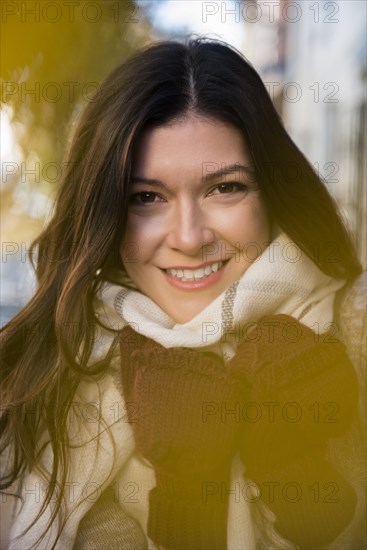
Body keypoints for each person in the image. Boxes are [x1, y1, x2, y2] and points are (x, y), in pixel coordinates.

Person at [0, 37, 365, 550]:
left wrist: (294, 467)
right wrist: (187, 490)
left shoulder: (353, 333)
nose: (190, 238)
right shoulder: (44, 382)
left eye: (225, 188)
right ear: (106, 213)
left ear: (274, 193)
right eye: (146, 197)